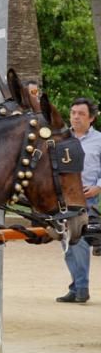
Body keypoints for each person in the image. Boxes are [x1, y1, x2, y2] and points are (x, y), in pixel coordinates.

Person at [57, 97, 101, 303]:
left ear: (91, 118)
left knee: (80, 242)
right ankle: (76, 286)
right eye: (73, 112)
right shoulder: (63, 140)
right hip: (63, 199)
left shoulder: (99, 140)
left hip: (87, 198)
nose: (75, 117)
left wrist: (98, 187)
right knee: (66, 243)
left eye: (81, 114)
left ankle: (81, 287)